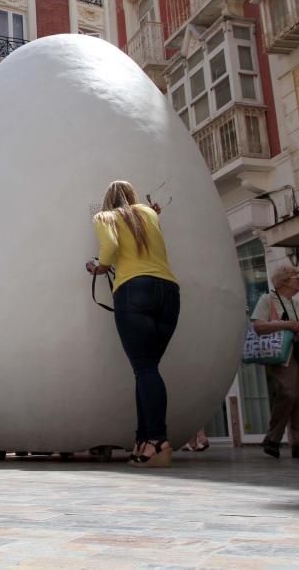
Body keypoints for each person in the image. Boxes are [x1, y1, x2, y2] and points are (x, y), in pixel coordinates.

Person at [86, 180, 180, 468]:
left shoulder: (104, 217)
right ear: (132, 196)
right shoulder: (149, 214)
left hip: (133, 290)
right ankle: (143, 441)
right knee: (147, 370)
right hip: (169, 291)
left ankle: (158, 440)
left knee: (145, 369)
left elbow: (110, 248)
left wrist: (98, 267)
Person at [252, 263, 299, 460]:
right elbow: (258, 326)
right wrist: (288, 324)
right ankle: (273, 438)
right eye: (295, 277)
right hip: (283, 355)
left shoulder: (296, 303)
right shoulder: (268, 299)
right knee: (288, 393)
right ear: (283, 281)